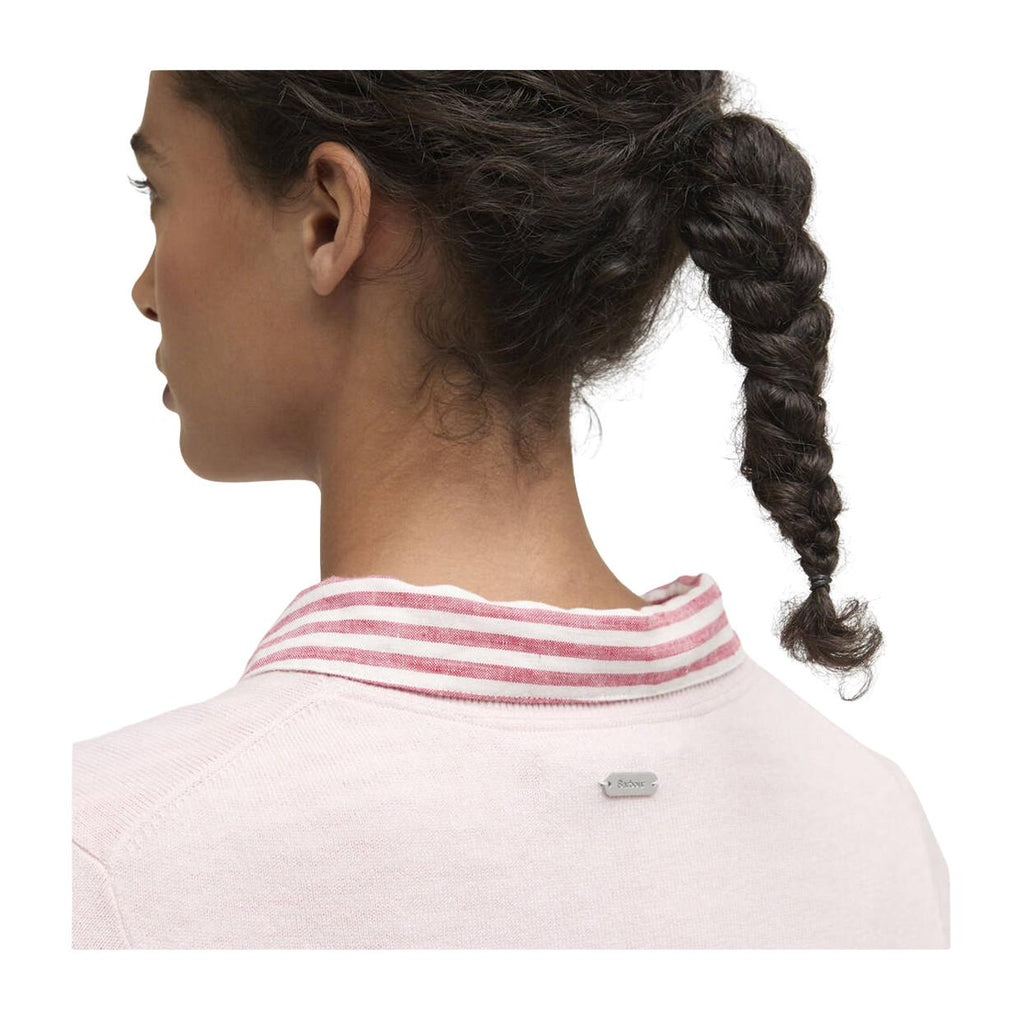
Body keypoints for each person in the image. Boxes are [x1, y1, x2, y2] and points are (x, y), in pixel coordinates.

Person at [71, 70, 948, 949]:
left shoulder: (106, 862)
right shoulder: (878, 832)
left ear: (329, 220)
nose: (145, 290)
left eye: (158, 191)